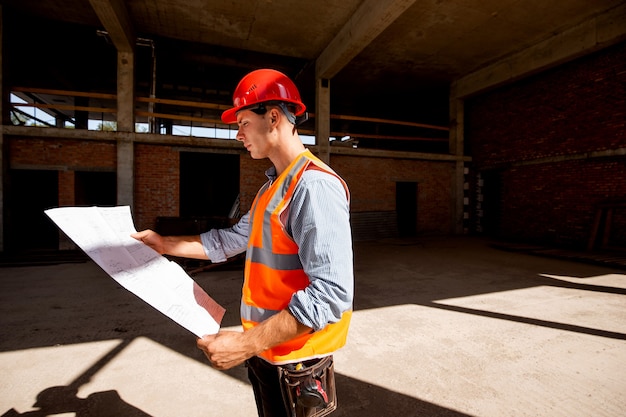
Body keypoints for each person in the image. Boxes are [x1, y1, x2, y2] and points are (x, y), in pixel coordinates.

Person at [131, 68, 354, 417]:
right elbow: (231, 239)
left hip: (296, 362)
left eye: (243, 123)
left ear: (274, 118)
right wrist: (164, 244)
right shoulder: (272, 188)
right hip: (268, 351)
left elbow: (331, 295)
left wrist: (243, 344)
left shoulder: (313, 187)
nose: (238, 135)